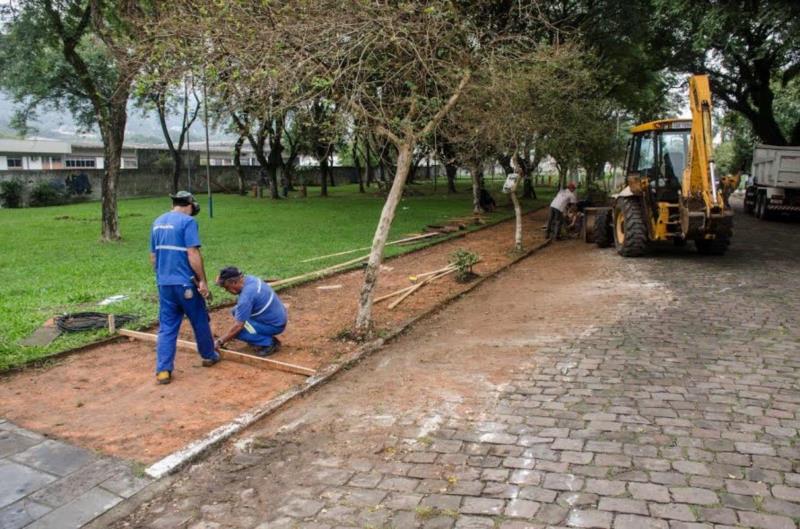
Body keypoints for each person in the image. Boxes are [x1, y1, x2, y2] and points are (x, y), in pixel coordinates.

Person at [150, 191, 219, 385]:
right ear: (189, 204)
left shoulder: (157, 222)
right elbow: (192, 253)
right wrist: (202, 281)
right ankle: (208, 355)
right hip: (185, 284)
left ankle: (163, 370)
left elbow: (153, 257)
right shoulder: (187, 222)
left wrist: (163, 276)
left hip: (164, 284)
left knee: (167, 327)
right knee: (199, 320)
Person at [215, 266, 288, 357]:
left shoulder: (246, 297)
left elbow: (238, 326)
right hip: (278, 317)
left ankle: (269, 343)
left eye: (227, 287)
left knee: (238, 332)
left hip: (274, 325)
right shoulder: (251, 279)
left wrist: (220, 341)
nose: (227, 290)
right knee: (236, 311)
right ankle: (259, 336)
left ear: (234, 282)